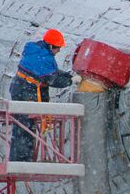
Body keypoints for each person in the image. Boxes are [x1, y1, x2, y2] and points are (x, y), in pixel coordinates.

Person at [9, 29, 82, 162]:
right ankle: (21, 160)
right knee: (25, 126)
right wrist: (71, 81)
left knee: (24, 126)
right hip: (26, 91)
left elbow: (53, 72)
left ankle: (23, 159)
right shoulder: (42, 57)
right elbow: (52, 79)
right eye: (58, 48)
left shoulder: (39, 52)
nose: (59, 51)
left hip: (21, 88)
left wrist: (68, 75)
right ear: (50, 46)